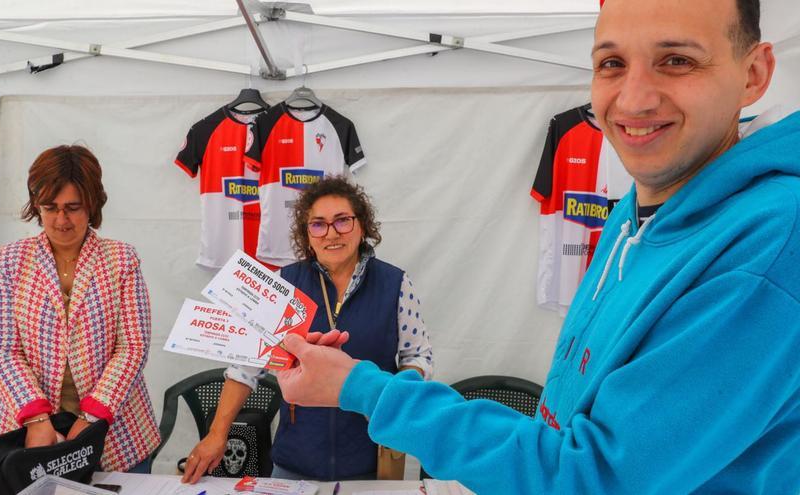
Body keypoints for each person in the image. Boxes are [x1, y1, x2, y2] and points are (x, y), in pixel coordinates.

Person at [275, 0, 800, 493]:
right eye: (612, 62)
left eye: (678, 60)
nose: (635, 98)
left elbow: (587, 475)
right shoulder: (635, 212)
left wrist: (365, 389)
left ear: (753, 74)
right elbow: (573, 424)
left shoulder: (770, 246)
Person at [182, 176, 434, 483]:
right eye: (318, 224)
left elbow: (417, 355)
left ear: (363, 225)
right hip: (294, 463)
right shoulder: (283, 283)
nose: (331, 233)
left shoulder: (395, 284)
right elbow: (245, 368)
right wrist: (217, 434)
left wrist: (394, 396)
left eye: (343, 221)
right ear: (307, 234)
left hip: (371, 460)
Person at [0, 145, 161, 473]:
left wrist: (92, 417)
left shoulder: (121, 260)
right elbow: (2, 351)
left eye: (72, 208)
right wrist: (36, 418)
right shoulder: (11, 261)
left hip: (117, 434)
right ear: (36, 205)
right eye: (50, 207)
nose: (60, 220)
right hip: (33, 433)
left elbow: (132, 349)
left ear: (92, 204)